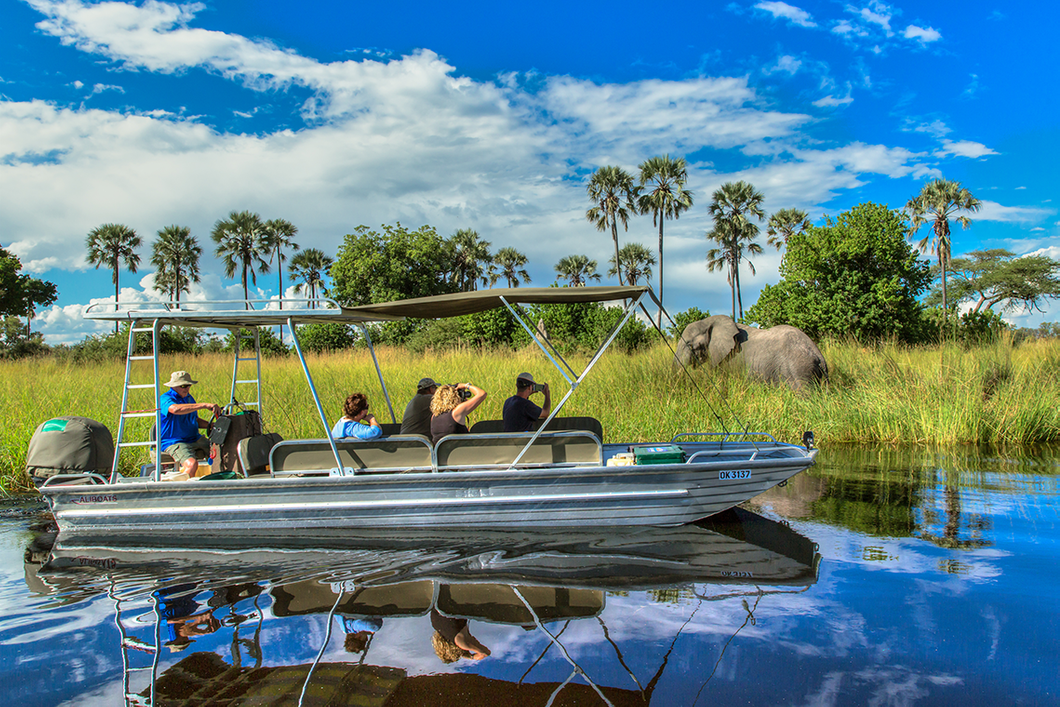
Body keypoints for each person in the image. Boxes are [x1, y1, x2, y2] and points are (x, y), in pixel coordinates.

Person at [159, 371, 222, 477]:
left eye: (188, 385)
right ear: (174, 386)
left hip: (195, 439)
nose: (186, 389)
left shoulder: (189, 398)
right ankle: (184, 490)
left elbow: (195, 420)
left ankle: (221, 482)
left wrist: (212, 425)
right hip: (174, 441)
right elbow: (175, 410)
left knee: (222, 453)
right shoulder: (165, 398)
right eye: (183, 386)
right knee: (192, 464)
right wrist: (204, 405)